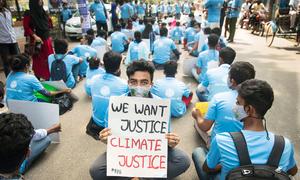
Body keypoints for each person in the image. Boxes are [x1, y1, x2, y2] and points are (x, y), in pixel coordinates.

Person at [89, 60, 191, 179]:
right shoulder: (115, 106)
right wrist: (106, 139)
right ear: (128, 83)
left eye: (144, 82)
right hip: (125, 154)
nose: (138, 87)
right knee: (96, 170)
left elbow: (163, 140)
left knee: (183, 160)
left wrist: (170, 142)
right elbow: (113, 144)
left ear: (151, 84)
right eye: (134, 82)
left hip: (151, 155)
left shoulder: (160, 106)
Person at [192, 79, 298, 180]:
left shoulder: (222, 140)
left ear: (249, 109)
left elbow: (207, 168)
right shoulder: (284, 144)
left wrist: (223, 165)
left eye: (238, 102)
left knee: (198, 152)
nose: (234, 106)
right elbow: (292, 171)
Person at [192, 61, 255, 146]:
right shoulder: (256, 102)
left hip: (219, 148)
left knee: (198, 120)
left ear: (232, 81)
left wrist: (197, 115)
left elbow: (205, 127)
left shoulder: (219, 98)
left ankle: (208, 143)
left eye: (228, 76)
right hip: (244, 148)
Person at [86, 51, 128, 140]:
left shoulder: (94, 79)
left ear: (104, 64)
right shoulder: (124, 84)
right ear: (119, 66)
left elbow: (89, 93)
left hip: (96, 121)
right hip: (111, 125)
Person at [6, 54, 70, 102]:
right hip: (29, 106)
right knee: (51, 99)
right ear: (26, 65)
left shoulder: (9, 75)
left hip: (12, 106)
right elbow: (48, 94)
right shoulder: (30, 78)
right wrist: (63, 90)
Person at [23, 0, 54, 80]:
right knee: (38, 60)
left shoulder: (43, 12)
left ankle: (48, 77)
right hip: (37, 41)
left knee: (49, 59)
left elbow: (49, 25)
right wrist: (35, 36)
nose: (40, 2)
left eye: (41, 0)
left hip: (46, 40)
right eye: (38, 0)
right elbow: (26, 27)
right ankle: (38, 77)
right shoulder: (29, 14)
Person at [0, 0, 20, 77]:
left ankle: (19, 77)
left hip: (13, 39)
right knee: (7, 63)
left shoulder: (8, 11)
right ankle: (9, 80)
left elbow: (11, 24)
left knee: (18, 60)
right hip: (2, 42)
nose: (1, 2)